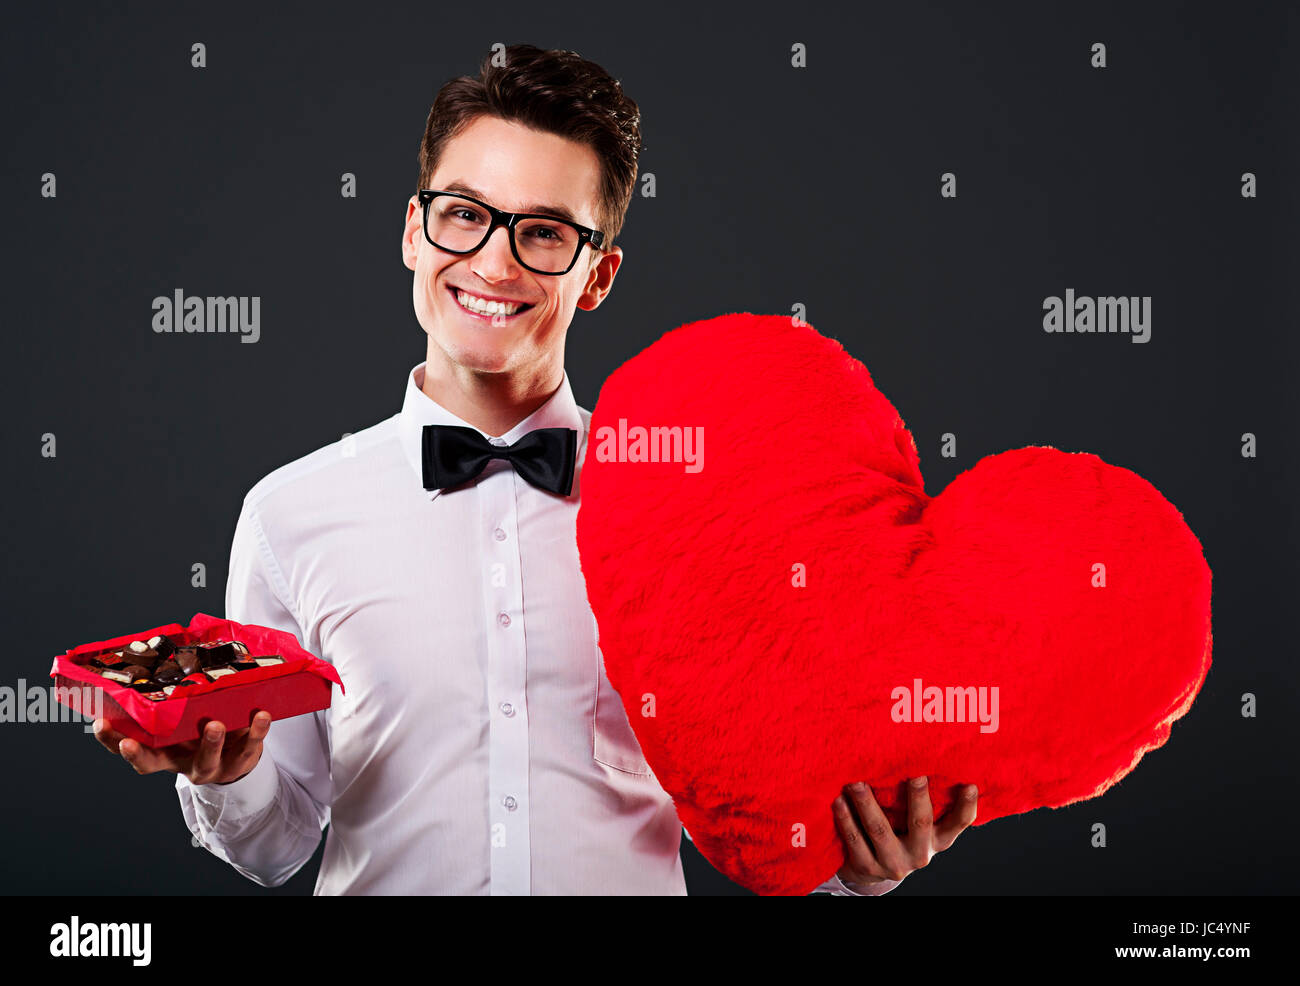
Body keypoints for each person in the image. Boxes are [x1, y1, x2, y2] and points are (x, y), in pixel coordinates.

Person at [93, 43, 978, 895]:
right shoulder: (290, 515)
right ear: (414, 229)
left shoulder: (690, 504)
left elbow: (766, 783)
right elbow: (274, 848)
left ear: (598, 275)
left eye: (545, 232)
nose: (493, 260)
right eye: (465, 213)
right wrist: (227, 774)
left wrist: (853, 868)